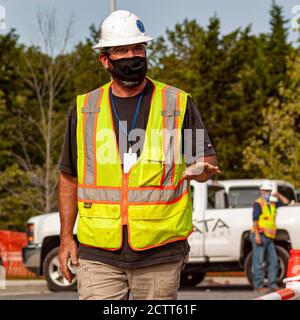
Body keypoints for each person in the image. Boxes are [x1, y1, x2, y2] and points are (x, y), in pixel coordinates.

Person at [58, 10, 220, 300]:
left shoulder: (177, 103)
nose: (132, 56)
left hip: (160, 251)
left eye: (138, 48)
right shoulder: (85, 109)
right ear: (105, 59)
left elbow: (204, 161)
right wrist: (66, 237)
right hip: (98, 252)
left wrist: (203, 170)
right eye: (121, 50)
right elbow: (68, 175)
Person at [250, 180, 290, 293]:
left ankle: (272, 285)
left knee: (273, 261)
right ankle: (258, 286)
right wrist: (257, 235)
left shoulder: (272, 204)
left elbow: (286, 202)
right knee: (258, 262)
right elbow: (255, 220)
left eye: (268, 191)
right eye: (264, 190)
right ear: (261, 191)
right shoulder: (258, 203)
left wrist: (279, 195)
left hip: (269, 237)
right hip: (260, 235)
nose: (266, 192)